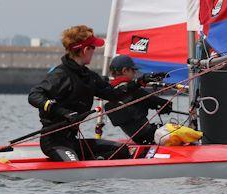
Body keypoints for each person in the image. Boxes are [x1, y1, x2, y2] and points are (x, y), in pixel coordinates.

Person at [28, 25, 133, 162]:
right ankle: (88, 164)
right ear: (85, 50)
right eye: (93, 48)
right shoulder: (61, 74)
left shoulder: (88, 76)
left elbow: (113, 95)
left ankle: (96, 163)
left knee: (122, 150)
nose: (95, 51)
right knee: (73, 164)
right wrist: (62, 111)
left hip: (72, 141)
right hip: (53, 143)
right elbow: (34, 95)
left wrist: (138, 84)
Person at [104, 55, 172, 144]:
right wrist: (168, 105)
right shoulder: (134, 91)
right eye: (133, 70)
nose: (135, 73)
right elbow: (163, 104)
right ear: (125, 70)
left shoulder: (111, 92)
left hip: (137, 138)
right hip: (150, 137)